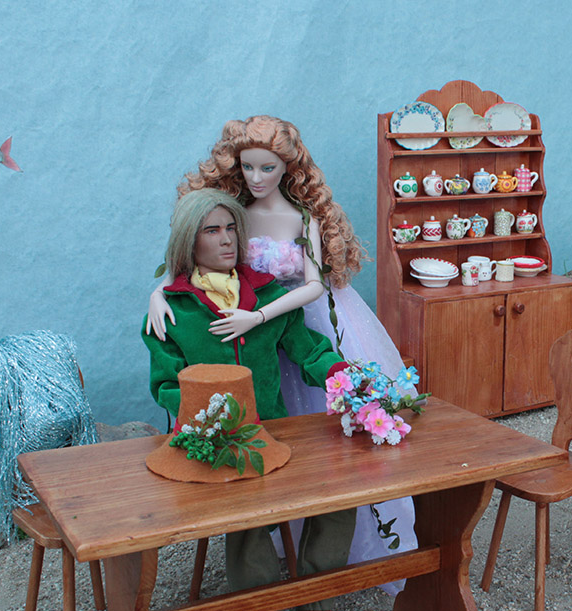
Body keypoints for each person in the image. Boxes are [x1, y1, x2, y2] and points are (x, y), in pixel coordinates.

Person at [146, 115, 416, 570]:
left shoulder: (301, 218)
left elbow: (312, 287)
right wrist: (159, 293)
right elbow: (190, 256)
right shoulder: (231, 215)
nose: (256, 178)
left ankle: (334, 549)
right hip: (247, 321)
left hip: (291, 316)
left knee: (322, 435)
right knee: (266, 424)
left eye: (267, 168)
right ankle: (269, 547)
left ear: (288, 167)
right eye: (248, 167)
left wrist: (260, 315)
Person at [143, 188, 354, 611]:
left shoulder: (265, 295)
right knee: (247, 530)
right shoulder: (173, 310)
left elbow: (308, 349)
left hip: (276, 434)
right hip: (212, 445)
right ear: (188, 242)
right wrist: (202, 419)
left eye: (231, 228)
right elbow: (164, 384)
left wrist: (343, 379)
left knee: (339, 503)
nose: (226, 240)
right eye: (211, 230)